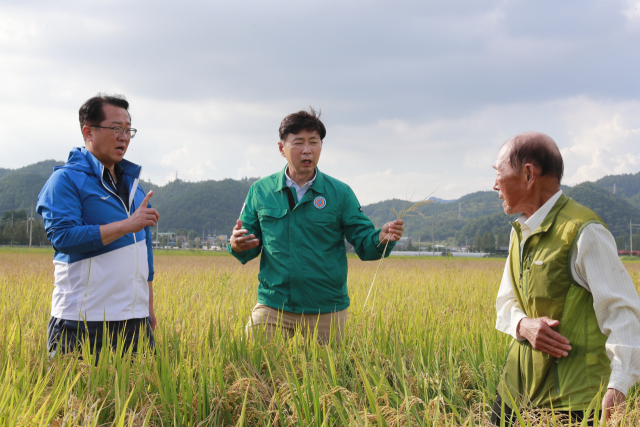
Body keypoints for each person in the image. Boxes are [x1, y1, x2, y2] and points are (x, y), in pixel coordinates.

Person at [491, 132, 640, 425]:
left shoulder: (585, 231)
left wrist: (619, 385)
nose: (495, 184)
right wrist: (525, 325)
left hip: (571, 400)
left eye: (499, 173)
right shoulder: (518, 231)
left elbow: (623, 313)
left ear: (528, 174)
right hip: (515, 391)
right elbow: (506, 301)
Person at [228, 109, 404, 343]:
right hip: (274, 304)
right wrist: (236, 245)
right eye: (298, 142)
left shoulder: (340, 193)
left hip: (326, 308)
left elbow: (364, 243)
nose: (307, 150)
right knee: (251, 361)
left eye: (314, 142)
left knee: (329, 375)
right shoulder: (261, 191)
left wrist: (381, 238)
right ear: (282, 148)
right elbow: (248, 243)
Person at [37, 94, 159, 359]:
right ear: (88, 131)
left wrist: (147, 306)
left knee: (141, 400)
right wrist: (127, 225)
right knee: (78, 400)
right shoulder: (65, 180)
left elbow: (145, 252)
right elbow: (63, 237)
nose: (124, 137)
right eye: (116, 128)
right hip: (82, 322)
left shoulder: (134, 188)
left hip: (134, 322)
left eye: (128, 130)